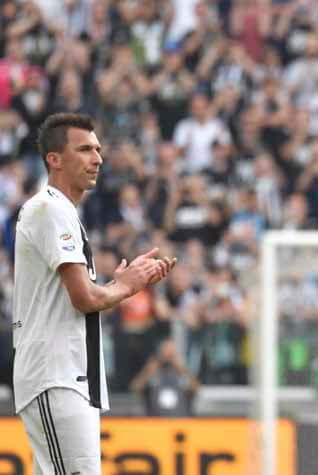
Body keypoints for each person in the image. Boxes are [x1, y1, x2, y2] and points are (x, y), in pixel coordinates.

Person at [12, 113, 177, 475]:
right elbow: (84, 298)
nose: (98, 158)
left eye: (98, 149)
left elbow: (82, 298)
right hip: (55, 375)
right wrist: (127, 285)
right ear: (54, 159)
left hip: (67, 378)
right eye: (85, 149)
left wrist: (120, 286)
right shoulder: (50, 208)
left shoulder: (62, 212)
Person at [130, 338, 200, 417]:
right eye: (166, 351)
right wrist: (147, 372)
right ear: (160, 353)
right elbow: (135, 388)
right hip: (156, 425)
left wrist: (184, 370)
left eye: (171, 351)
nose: (169, 354)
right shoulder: (153, 373)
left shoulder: (181, 374)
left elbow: (197, 389)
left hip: (179, 423)